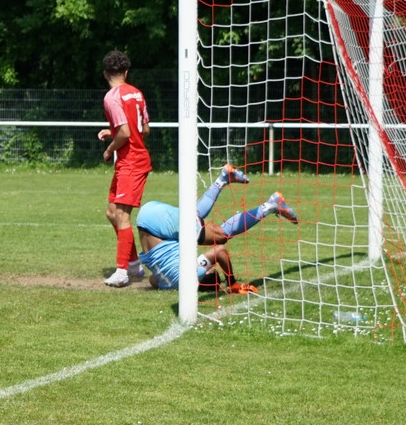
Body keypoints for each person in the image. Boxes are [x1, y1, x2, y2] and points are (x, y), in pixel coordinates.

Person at [135, 164, 299, 293]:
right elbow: (153, 280)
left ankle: (270, 205)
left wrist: (230, 282)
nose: (212, 267)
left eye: (211, 270)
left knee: (221, 236)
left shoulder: (192, 275)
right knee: (195, 219)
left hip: (156, 223)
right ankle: (227, 180)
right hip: (146, 221)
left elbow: (220, 252)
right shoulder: (166, 284)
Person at [98, 50, 152, 288]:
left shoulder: (112, 97)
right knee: (112, 213)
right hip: (131, 161)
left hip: (132, 162)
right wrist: (114, 132)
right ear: (126, 72)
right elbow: (144, 130)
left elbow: (125, 133)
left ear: (105, 74)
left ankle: (122, 272)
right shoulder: (137, 93)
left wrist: (110, 148)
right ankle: (132, 264)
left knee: (121, 215)